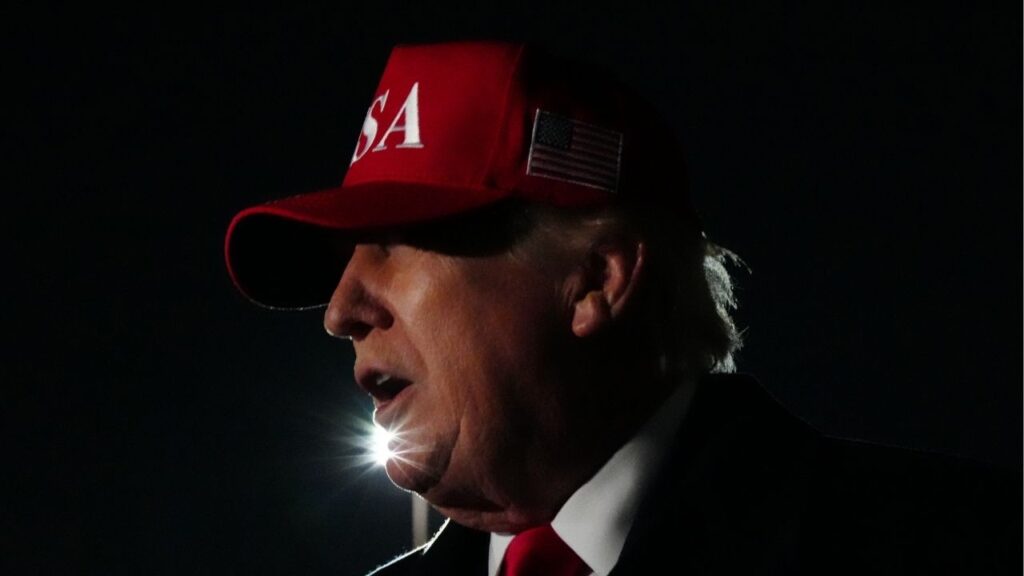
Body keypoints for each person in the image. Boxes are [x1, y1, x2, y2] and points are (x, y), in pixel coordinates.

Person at [225, 41, 1017, 575]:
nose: (340, 310)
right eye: (343, 262)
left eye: (397, 241)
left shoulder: (960, 542)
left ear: (598, 281)